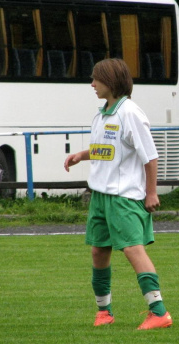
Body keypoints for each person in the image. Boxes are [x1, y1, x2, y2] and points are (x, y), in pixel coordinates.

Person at [63, 58, 172, 330]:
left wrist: (151, 193)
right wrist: (82, 155)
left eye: (95, 79)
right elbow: (107, 148)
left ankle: (159, 312)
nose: (92, 84)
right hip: (100, 196)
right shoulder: (102, 114)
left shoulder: (131, 113)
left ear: (110, 82)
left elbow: (150, 156)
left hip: (124, 198)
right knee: (99, 252)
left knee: (133, 250)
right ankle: (105, 312)